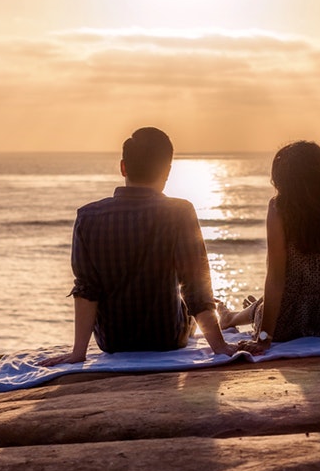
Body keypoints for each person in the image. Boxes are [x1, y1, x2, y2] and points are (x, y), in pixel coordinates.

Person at [42, 126, 232, 366]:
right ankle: (227, 320)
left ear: (123, 167)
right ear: (167, 171)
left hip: (112, 341)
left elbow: (87, 289)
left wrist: (78, 353)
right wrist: (220, 347)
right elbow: (195, 286)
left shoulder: (88, 216)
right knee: (187, 298)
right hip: (168, 338)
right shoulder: (179, 212)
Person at [223, 140, 320, 354]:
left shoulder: (280, 208)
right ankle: (244, 311)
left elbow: (276, 278)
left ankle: (232, 316)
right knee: (266, 301)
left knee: (267, 302)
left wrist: (264, 339)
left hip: (287, 323)